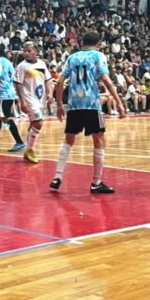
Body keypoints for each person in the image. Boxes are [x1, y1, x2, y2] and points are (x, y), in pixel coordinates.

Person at [50, 31, 126, 194]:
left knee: (68, 140)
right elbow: (106, 80)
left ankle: (57, 176)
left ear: (81, 43)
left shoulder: (72, 58)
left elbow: (60, 82)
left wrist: (59, 105)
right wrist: (119, 103)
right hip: (91, 104)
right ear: (98, 43)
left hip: (74, 105)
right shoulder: (98, 56)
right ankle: (96, 182)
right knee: (98, 140)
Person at [15, 41, 51, 164]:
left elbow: (47, 80)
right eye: (24, 51)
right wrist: (22, 101)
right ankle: (29, 150)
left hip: (40, 98)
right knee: (38, 123)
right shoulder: (22, 66)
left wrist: (50, 93)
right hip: (29, 98)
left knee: (33, 124)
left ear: (36, 51)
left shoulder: (42, 64)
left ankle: (28, 150)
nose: (26, 53)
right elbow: (18, 84)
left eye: (29, 50)